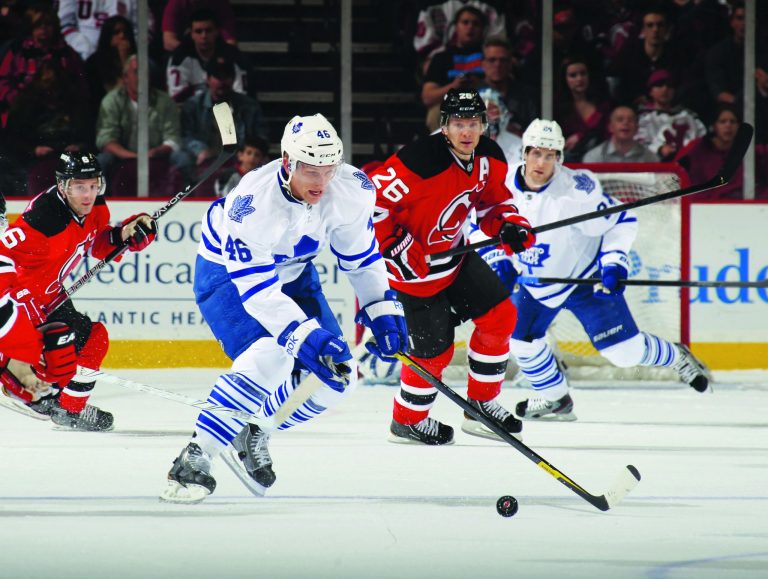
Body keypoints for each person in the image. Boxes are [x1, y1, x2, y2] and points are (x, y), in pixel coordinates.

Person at [161, 114, 407, 503]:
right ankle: (195, 457)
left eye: (329, 169)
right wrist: (303, 335)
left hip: (294, 272)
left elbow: (361, 260)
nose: (322, 181)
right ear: (289, 162)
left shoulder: (352, 188)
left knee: (340, 377)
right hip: (227, 275)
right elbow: (258, 291)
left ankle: (255, 429)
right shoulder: (252, 204)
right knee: (272, 353)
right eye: (311, 170)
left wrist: (382, 309)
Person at [497, 119, 712, 421]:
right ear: (524, 153)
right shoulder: (501, 184)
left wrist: (613, 262)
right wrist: (498, 259)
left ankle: (676, 356)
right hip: (537, 282)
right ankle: (556, 399)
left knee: (623, 354)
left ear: (559, 157)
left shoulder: (576, 192)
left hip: (584, 278)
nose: (541, 162)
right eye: (536, 153)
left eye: (549, 155)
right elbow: (479, 224)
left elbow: (621, 220)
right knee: (520, 342)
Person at [367, 89, 535, 446]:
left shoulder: (490, 157)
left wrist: (507, 224)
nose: (466, 131)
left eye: (473, 123)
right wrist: (393, 241)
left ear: (483, 125)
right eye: (458, 123)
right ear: (444, 126)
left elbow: (493, 202)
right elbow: (369, 203)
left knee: (501, 316)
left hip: (455, 259)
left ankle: (481, 404)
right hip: (413, 273)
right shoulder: (419, 160)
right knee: (434, 355)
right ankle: (407, 421)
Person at [0, 152, 156, 430]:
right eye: (79, 187)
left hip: (52, 295)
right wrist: (23, 311)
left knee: (94, 340)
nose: (88, 195)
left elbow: (97, 243)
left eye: (94, 186)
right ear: (62, 186)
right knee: (55, 354)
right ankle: (21, 380)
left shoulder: (95, 207)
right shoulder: (43, 219)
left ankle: (69, 409)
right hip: (25, 298)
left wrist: (124, 235)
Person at [95, 55, 182, 197]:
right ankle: (99, 204)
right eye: (136, 72)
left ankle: (184, 202)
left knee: (182, 158)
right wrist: (135, 156)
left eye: (145, 73)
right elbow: (106, 140)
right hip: (121, 157)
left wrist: (156, 151)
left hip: (157, 155)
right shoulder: (112, 101)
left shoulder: (165, 101)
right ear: (125, 77)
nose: (142, 77)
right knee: (102, 161)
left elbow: (173, 138)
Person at [176, 55, 267, 191]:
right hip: (205, 158)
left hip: (238, 159)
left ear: (233, 79)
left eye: (227, 77)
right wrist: (200, 150)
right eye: (217, 77)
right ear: (208, 79)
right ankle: (188, 194)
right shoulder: (193, 105)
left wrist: (248, 152)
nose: (222, 82)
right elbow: (185, 136)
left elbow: (261, 136)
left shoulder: (249, 106)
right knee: (182, 158)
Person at [420, 5, 486, 132]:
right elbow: (427, 97)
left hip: (483, 104)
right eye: (465, 22)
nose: (470, 27)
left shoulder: (491, 57)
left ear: (483, 29)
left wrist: (480, 85)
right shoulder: (441, 58)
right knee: (435, 113)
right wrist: (453, 87)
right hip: (449, 106)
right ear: (456, 27)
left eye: (476, 24)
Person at [166, 8, 251, 103]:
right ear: (191, 34)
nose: (204, 36)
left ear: (217, 32)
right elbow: (176, 97)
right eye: (198, 31)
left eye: (208, 30)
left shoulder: (233, 55)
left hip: (227, 108)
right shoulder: (179, 57)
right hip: (192, 109)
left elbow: (241, 95)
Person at [636, 69, 706, 161]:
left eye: (669, 86)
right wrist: (659, 149)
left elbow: (703, 140)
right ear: (651, 91)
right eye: (659, 85)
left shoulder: (688, 116)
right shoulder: (642, 118)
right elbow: (637, 144)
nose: (665, 89)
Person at [582, 105, 658, 163]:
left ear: (637, 128)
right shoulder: (594, 157)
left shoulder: (650, 158)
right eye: (620, 120)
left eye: (630, 120)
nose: (625, 123)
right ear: (610, 127)